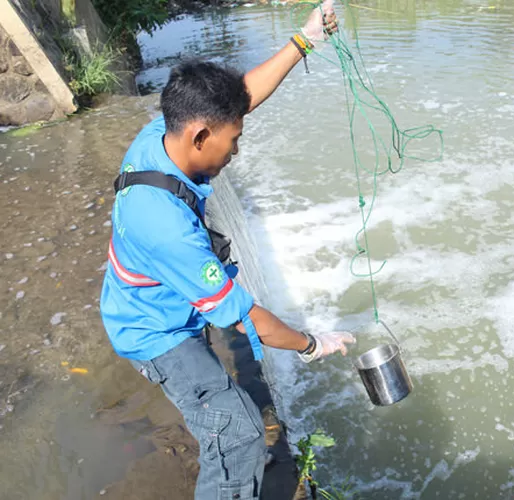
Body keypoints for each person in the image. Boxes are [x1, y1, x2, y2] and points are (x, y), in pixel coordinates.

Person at [98, 1, 355, 498]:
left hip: (159, 297)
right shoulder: (166, 227)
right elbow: (243, 317)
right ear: (200, 136)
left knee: (231, 419)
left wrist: (304, 42)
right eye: (233, 141)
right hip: (154, 330)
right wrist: (310, 343)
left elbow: (239, 101)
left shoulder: (162, 137)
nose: (235, 150)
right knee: (238, 433)